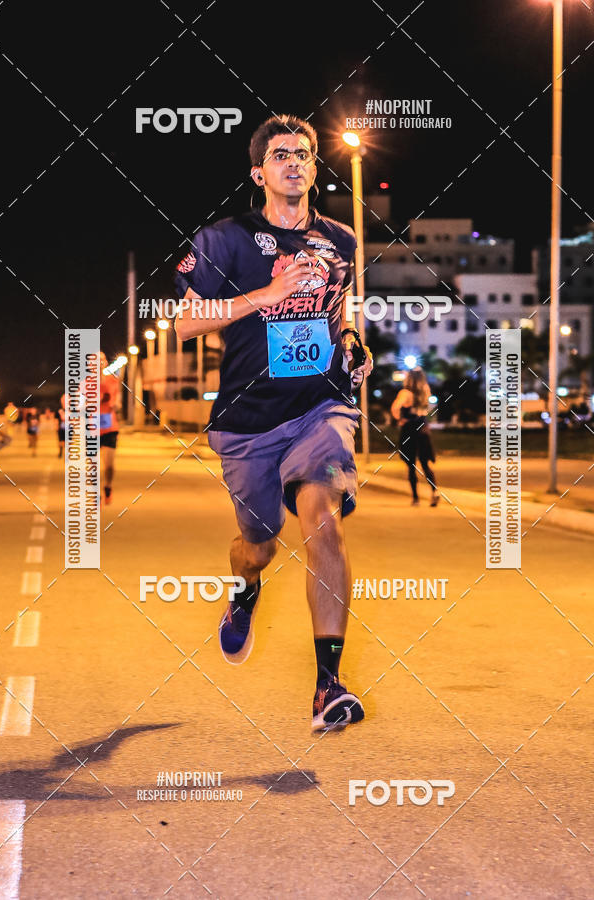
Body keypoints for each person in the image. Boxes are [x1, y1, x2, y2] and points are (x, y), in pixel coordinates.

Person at [174, 114, 373, 732]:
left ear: (316, 167)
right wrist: (266, 293)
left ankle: (327, 686)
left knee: (324, 524)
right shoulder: (223, 239)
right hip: (248, 423)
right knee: (257, 546)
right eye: (281, 154)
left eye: (305, 154)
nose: (294, 162)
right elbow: (186, 323)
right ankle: (246, 591)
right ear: (259, 172)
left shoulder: (340, 239)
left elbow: (340, 310)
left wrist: (351, 341)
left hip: (321, 407)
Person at [391, 368, 439, 507]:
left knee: (411, 465)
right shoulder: (425, 390)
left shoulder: (405, 393)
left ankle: (416, 498)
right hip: (423, 429)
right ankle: (434, 492)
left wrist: (400, 419)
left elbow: (395, 408)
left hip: (409, 429)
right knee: (425, 463)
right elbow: (428, 409)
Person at [98, 353, 120, 505]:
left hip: (109, 425)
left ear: (105, 363)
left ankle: (107, 486)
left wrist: (116, 405)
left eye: (100, 360)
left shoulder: (113, 382)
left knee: (109, 465)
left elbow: (117, 400)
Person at [55, 394, 67, 458]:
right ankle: (61, 452)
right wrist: (57, 427)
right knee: (61, 441)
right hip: (61, 428)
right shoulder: (59, 410)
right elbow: (56, 419)